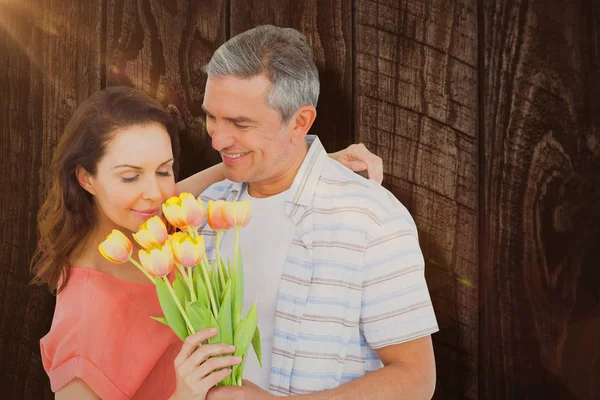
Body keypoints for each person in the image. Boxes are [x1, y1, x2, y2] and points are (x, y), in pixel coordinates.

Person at [33, 86, 383, 399]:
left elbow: (197, 186)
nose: (155, 194)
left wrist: (304, 163)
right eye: (129, 176)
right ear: (86, 178)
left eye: (163, 170)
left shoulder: (141, 222)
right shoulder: (83, 323)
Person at [194, 25, 439, 400]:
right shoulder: (207, 209)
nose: (217, 139)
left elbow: (416, 379)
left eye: (240, 124)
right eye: (212, 117)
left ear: (301, 122)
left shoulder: (371, 219)